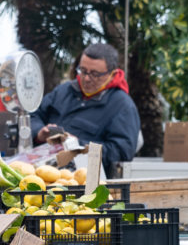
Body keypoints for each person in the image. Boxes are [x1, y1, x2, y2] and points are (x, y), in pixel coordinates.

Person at [30, 43, 140, 178]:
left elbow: (122, 152)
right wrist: (39, 132)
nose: (87, 78)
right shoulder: (63, 91)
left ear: (113, 74)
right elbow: (33, 115)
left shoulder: (122, 106)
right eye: (83, 71)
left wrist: (79, 146)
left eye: (95, 74)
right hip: (42, 172)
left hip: (86, 183)